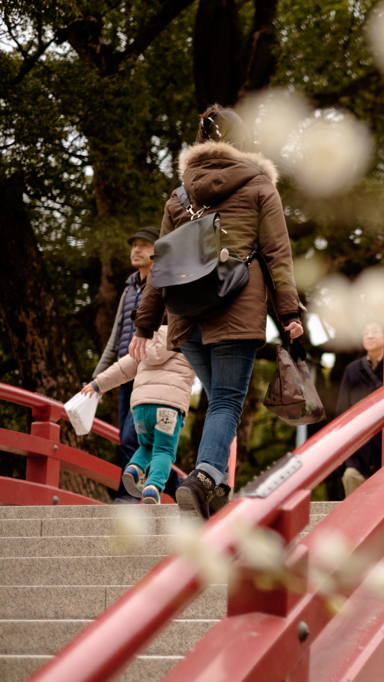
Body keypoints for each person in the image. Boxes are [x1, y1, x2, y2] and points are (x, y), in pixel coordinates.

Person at [131, 104, 303, 519]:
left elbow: (160, 266)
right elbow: (278, 253)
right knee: (226, 400)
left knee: (217, 397)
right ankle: (204, 476)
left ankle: (218, 487)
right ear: (242, 143)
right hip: (237, 304)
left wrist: (144, 324)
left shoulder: (178, 196)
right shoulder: (260, 184)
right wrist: (288, 312)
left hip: (186, 314)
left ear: (201, 143)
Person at [90, 225, 179, 501]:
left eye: (144, 244)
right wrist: (97, 379)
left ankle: (127, 497)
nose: (137, 250)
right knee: (131, 439)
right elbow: (115, 339)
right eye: (134, 245)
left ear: (158, 251)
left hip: (149, 374)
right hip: (124, 373)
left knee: (132, 439)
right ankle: (178, 488)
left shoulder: (165, 285)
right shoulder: (128, 289)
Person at [82, 323, 195, 503]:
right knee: (164, 450)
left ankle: (134, 468)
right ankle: (153, 487)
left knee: (146, 446)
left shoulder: (146, 341)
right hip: (168, 408)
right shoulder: (189, 340)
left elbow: (122, 368)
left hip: (140, 409)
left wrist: (97, 384)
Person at [335, 322, 384, 496]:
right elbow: (343, 410)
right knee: (350, 477)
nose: (369, 336)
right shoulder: (353, 369)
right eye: (366, 333)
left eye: (375, 331)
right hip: (359, 445)